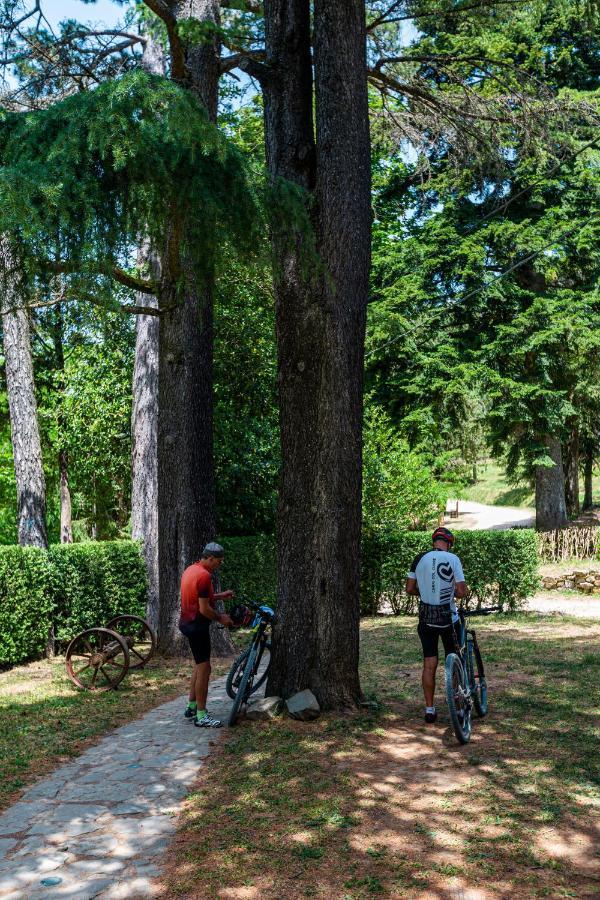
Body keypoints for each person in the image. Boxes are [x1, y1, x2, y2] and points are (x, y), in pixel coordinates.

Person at [405, 527, 468, 724]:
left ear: (434, 542)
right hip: (448, 619)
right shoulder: (453, 559)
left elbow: (409, 588)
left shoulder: (419, 559)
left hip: (426, 619)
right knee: (455, 661)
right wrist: (455, 594)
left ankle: (430, 709)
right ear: (448, 544)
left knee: (429, 664)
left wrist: (424, 593)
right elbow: (461, 590)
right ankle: (458, 709)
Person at [179, 542, 234, 728]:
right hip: (197, 626)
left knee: (199, 665)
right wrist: (222, 618)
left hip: (187, 623)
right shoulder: (204, 576)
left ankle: (191, 706)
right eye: (219, 561)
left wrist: (219, 596)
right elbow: (204, 608)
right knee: (205, 669)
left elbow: (199, 596)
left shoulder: (191, 569)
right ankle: (201, 716)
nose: (219, 565)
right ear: (210, 558)